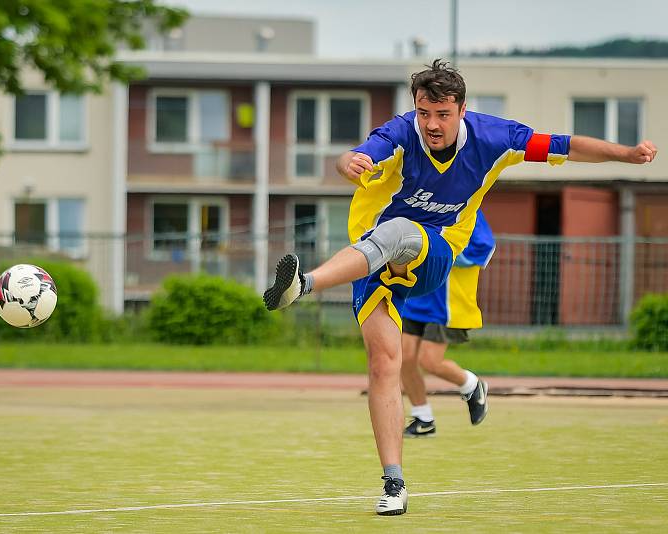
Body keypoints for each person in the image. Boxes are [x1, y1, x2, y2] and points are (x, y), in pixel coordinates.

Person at [263, 59, 657, 516]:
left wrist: (626, 154)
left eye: (442, 114)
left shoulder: (496, 138)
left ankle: (305, 284)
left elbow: (567, 146)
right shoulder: (399, 132)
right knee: (383, 364)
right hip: (370, 260)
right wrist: (346, 162)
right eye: (424, 113)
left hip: (436, 251)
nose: (431, 124)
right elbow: (352, 156)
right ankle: (394, 484)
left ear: (462, 110)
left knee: (399, 230)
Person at [400, 209, 495, 438]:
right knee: (404, 357)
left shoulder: (467, 206)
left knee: (429, 361)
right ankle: (424, 418)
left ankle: (471, 385)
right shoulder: (418, 202)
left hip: (448, 302)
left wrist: (443, 253)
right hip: (417, 296)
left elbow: (485, 247)